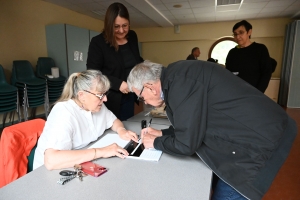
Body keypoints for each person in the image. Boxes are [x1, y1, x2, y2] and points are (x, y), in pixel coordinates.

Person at [127, 60, 297, 200]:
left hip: (258, 142)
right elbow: (193, 122)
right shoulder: (177, 76)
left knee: (225, 194)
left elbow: (186, 145)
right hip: (261, 131)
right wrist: (163, 133)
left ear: (150, 86)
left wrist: (155, 142)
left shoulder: (180, 84)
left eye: (141, 96)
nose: (145, 102)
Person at [33, 70, 138, 170]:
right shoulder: (64, 112)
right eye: (100, 95)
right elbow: (51, 160)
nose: (105, 99)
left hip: (79, 162)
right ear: (82, 95)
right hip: (51, 172)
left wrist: (121, 130)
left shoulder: (96, 106)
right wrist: (102, 151)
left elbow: (114, 121)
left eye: (105, 94)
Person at [87, 2, 143, 121]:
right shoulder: (98, 43)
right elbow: (93, 74)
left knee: (127, 128)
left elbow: (136, 60)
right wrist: (118, 84)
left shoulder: (132, 36)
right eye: (116, 26)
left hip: (129, 95)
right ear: (108, 25)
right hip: (110, 98)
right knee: (113, 130)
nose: (122, 30)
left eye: (125, 25)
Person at [225, 20, 272, 93]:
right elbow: (228, 74)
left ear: (249, 32)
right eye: (235, 34)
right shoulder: (232, 53)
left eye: (241, 32)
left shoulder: (260, 49)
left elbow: (266, 73)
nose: (238, 36)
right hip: (235, 92)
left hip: (254, 93)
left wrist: (258, 92)